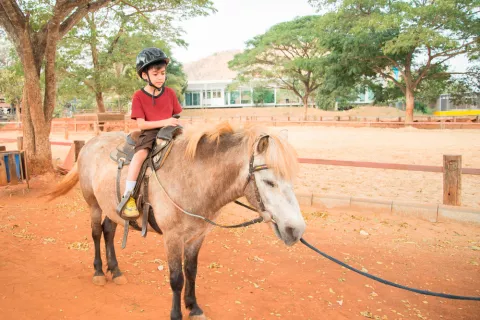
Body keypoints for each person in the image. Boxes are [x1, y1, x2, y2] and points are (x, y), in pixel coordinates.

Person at [116, 47, 182, 218]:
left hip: (170, 130)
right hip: (150, 132)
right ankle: (128, 196)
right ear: (145, 75)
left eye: (163, 73)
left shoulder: (170, 93)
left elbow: (176, 114)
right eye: (155, 74)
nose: (160, 77)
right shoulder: (139, 96)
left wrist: (172, 124)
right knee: (139, 156)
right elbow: (141, 124)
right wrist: (165, 121)